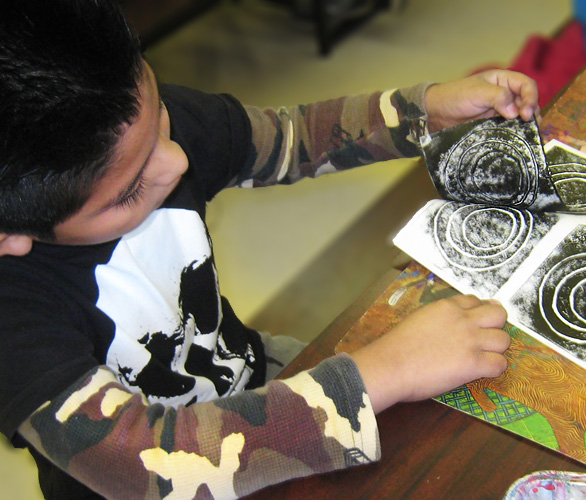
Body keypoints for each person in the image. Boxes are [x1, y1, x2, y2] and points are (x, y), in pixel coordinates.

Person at [0, 1, 540, 499]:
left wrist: (423, 112)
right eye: (130, 190)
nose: (176, 161)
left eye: (160, 113)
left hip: (253, 376)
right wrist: (387, 370)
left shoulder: (129, 125)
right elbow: (147, 466)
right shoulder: (14, 319)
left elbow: (289, 138)